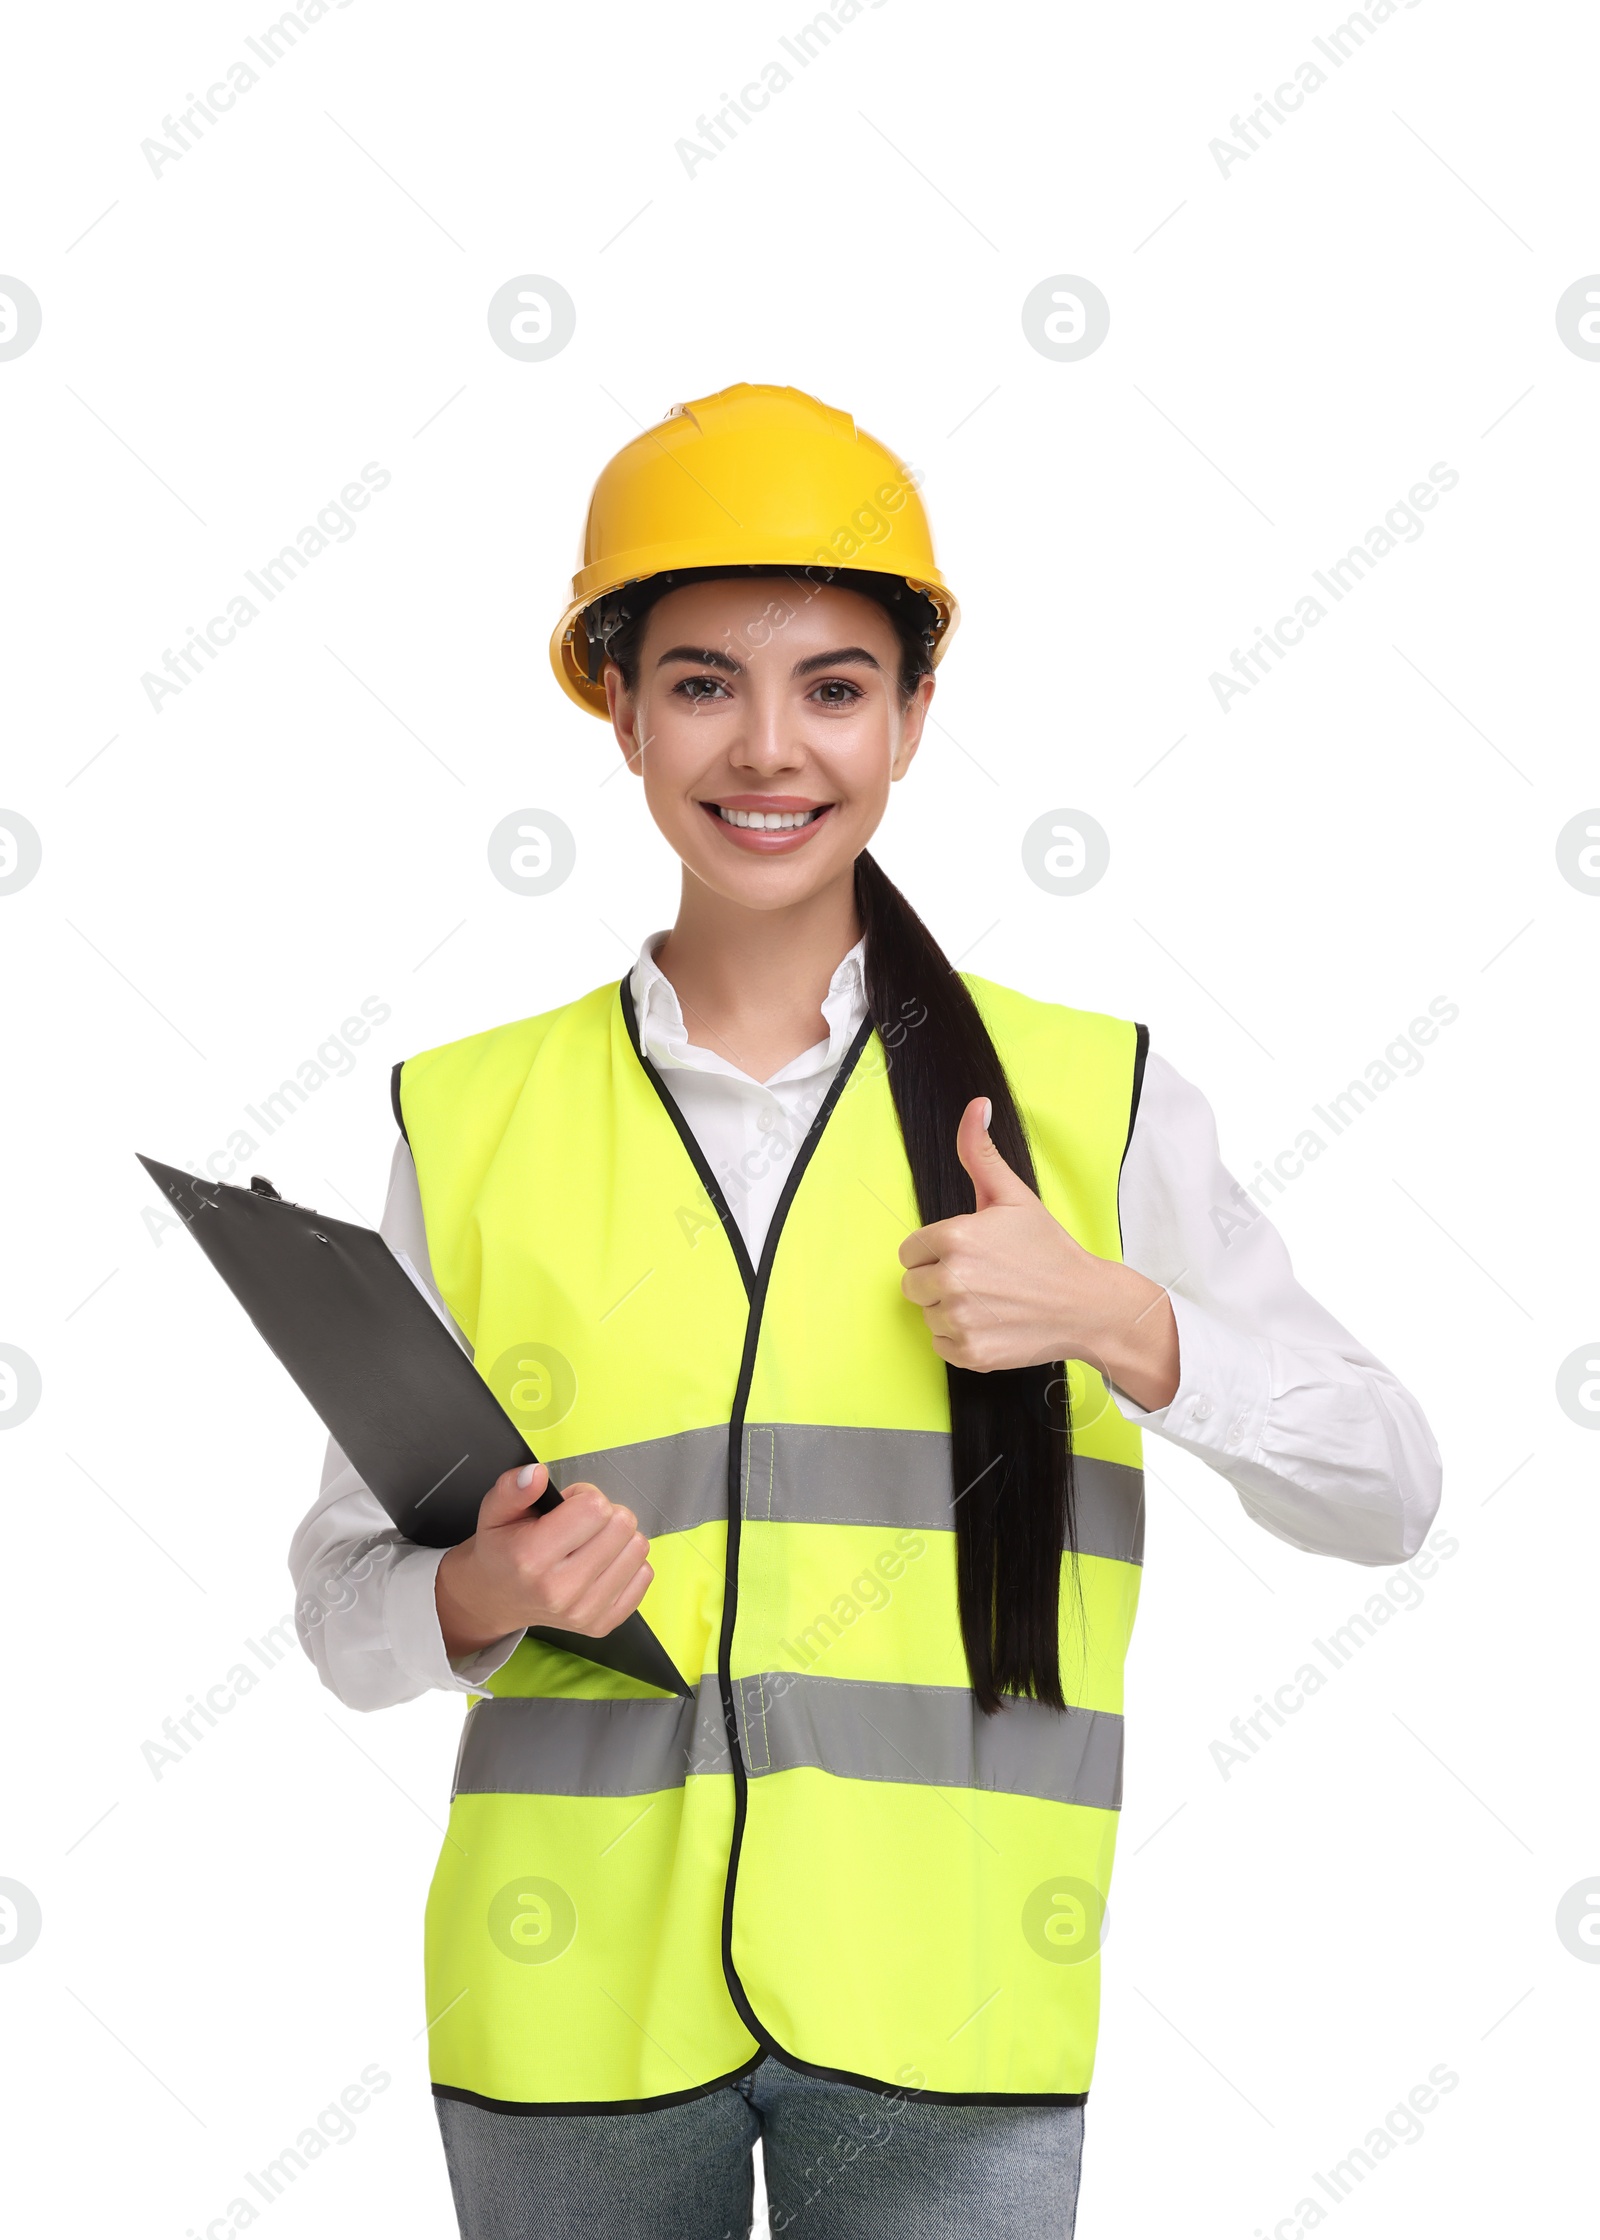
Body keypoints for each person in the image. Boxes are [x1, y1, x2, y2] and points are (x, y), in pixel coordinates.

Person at [290, 384, 1442, 2240]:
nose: (769, 747)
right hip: (566, 2006)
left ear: (912, 714)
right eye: (699, 684)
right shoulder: (473, 1118)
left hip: (951, 2003)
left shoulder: (1088, 1101)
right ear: (617, 706)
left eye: (834, 685)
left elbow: (1388, 1491)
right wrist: (483, 1594)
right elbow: (346, 1615)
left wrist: (1126, 1322)